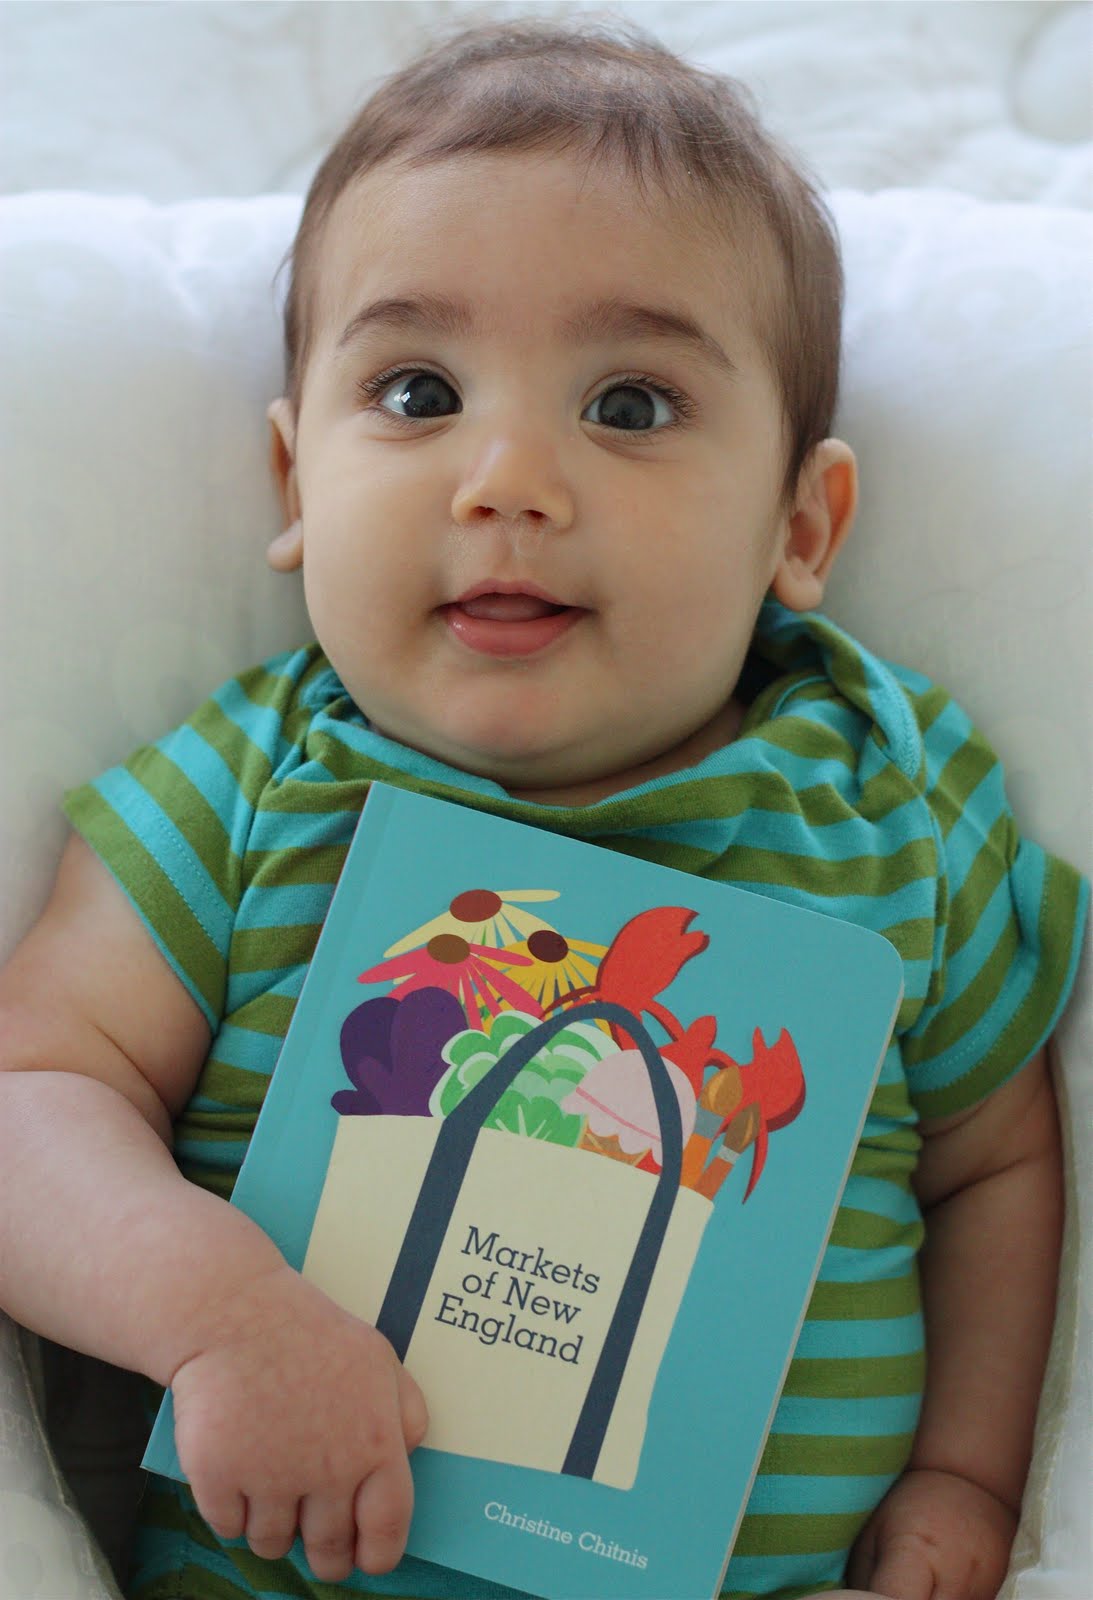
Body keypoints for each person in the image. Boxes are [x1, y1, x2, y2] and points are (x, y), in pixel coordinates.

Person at [0, 18, 1086, 1600]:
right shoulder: (251, 789)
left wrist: (964, 1474)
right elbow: (32, 1095)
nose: (506, 478)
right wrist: (220, 1316)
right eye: (418, 391)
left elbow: (991, 1162)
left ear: (799, 525)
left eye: (629, 405)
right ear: (297, 487)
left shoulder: (889, 802)